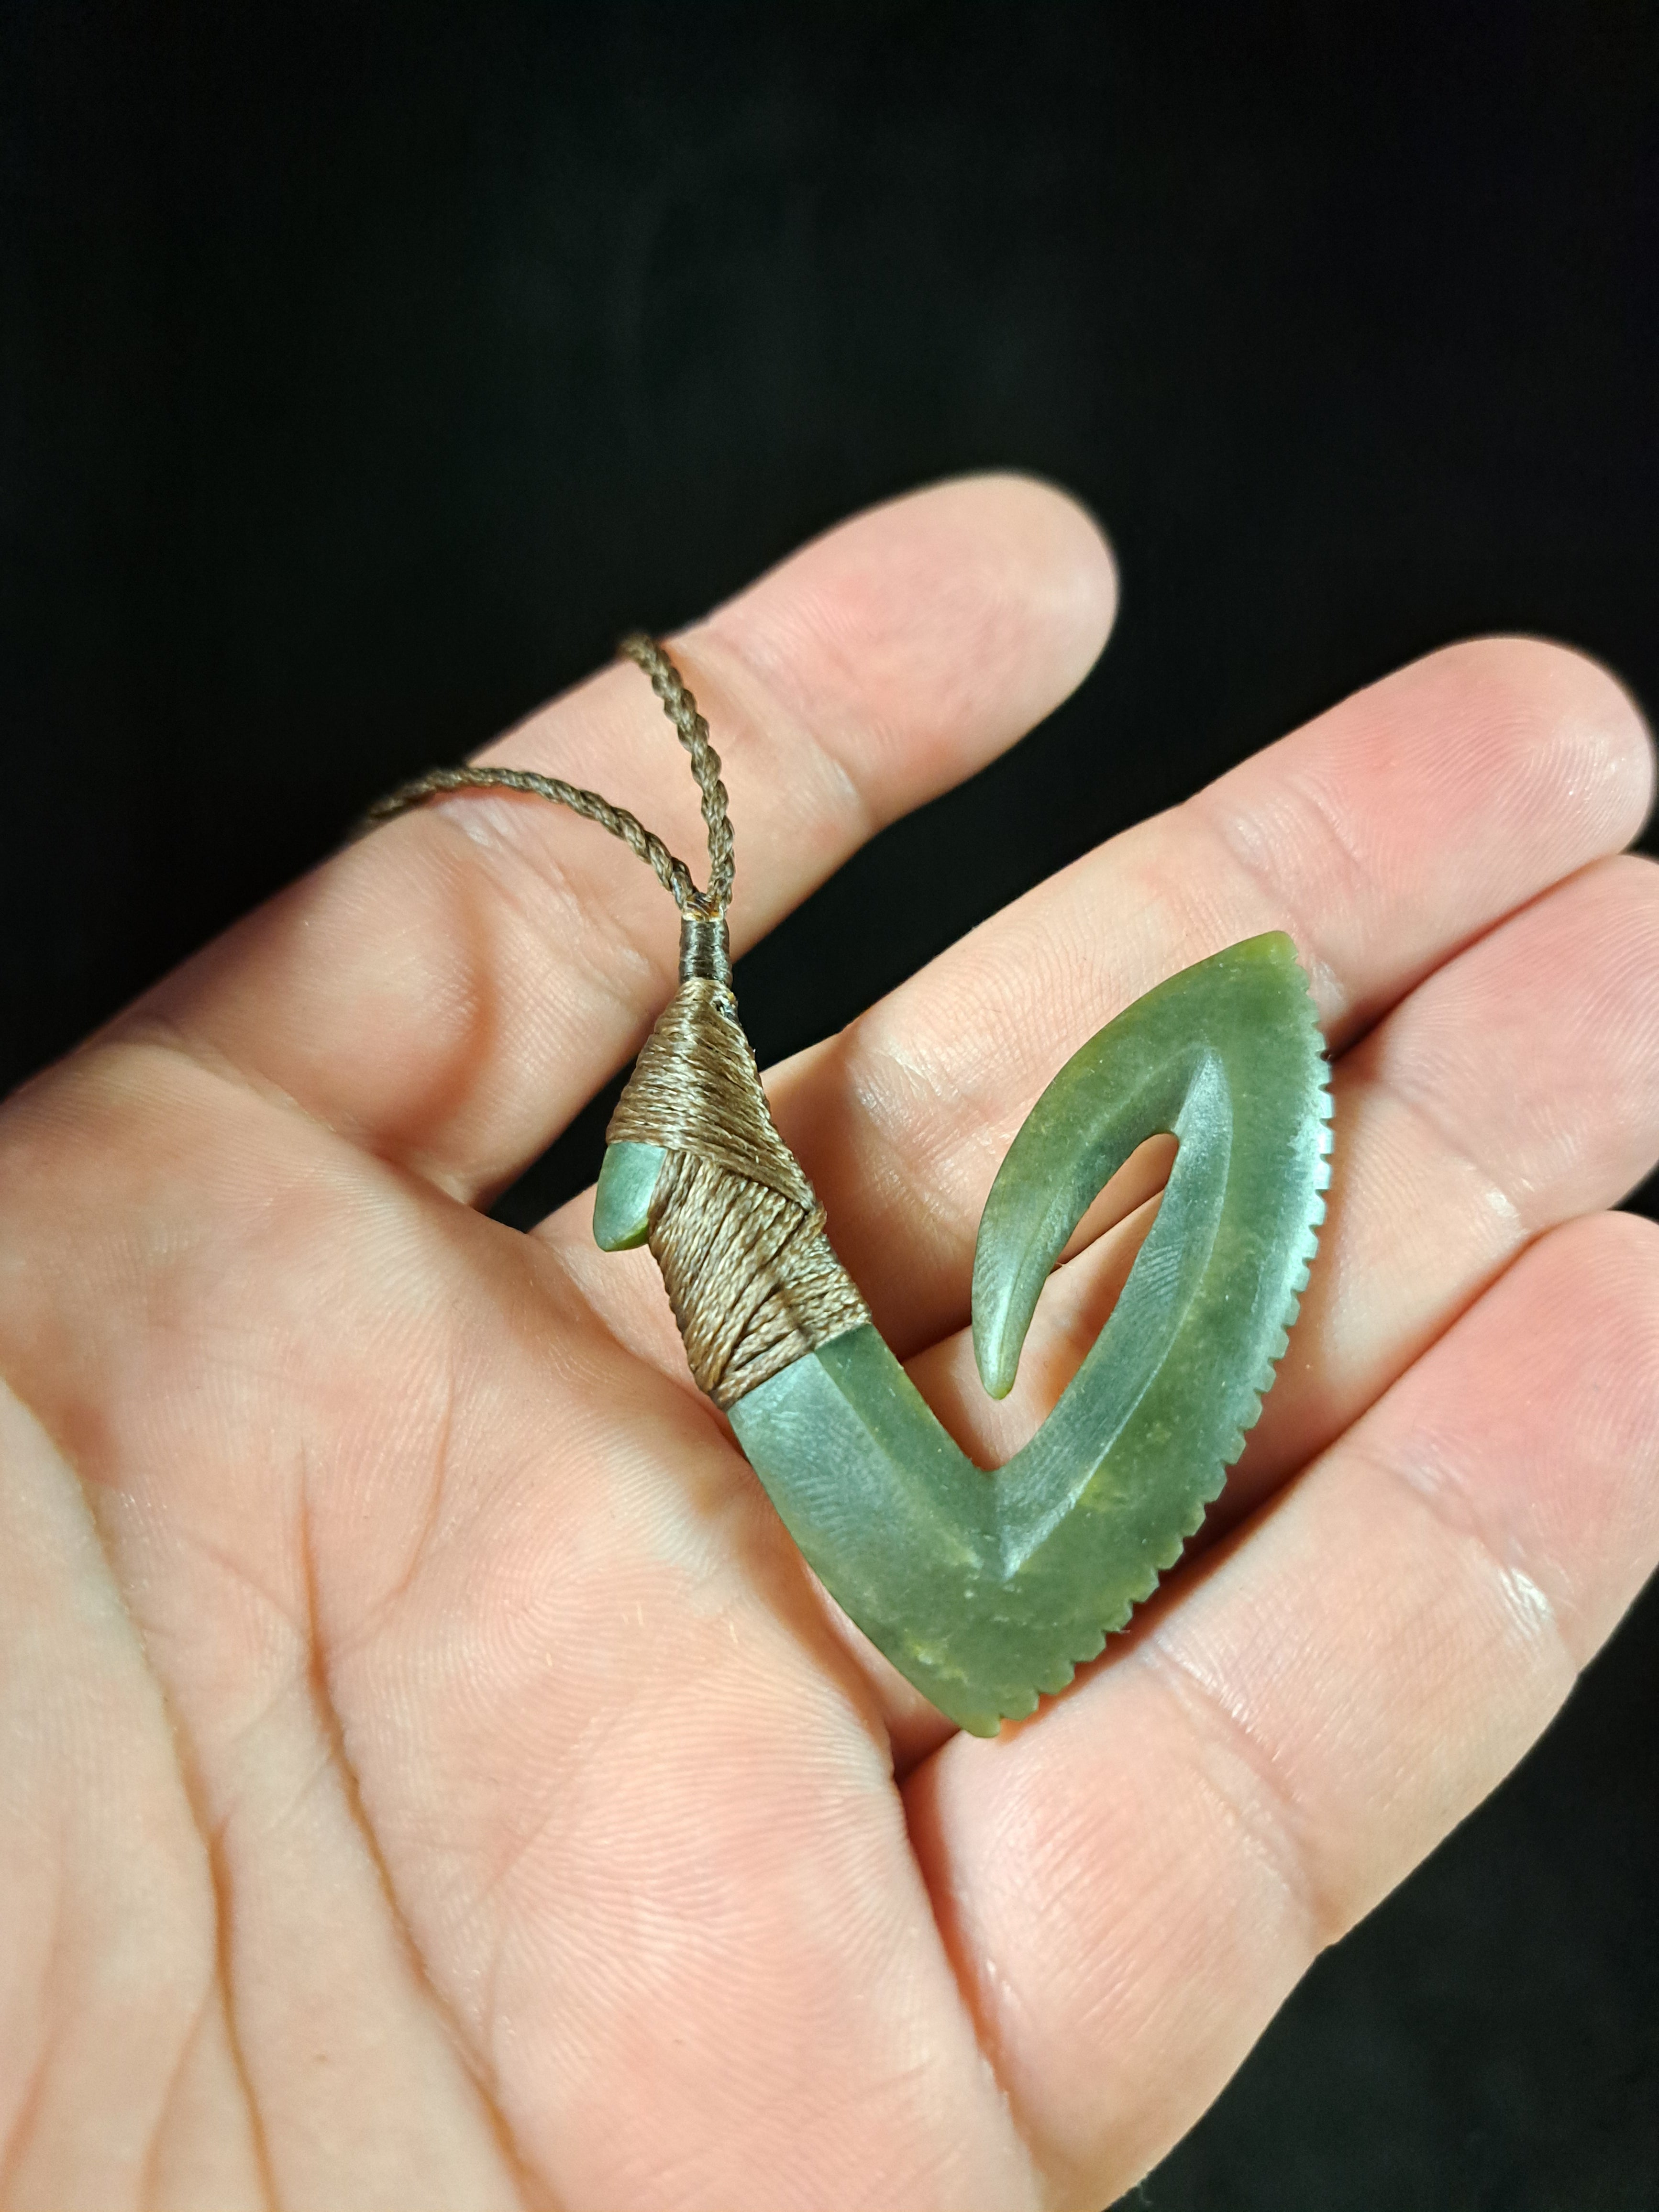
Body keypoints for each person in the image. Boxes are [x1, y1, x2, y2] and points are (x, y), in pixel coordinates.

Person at [1, 474, 1654, 2211]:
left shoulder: (706, 1164)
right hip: (901, 1501)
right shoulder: (690, 1168)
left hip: (922, 1510)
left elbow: (651, 1207)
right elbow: (655, 1206)